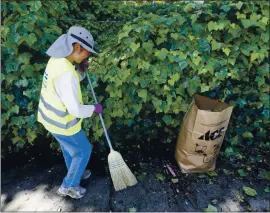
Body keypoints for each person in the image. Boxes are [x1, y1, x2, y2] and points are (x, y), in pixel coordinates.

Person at [37, 26, 102, 199]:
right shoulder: (66, 74)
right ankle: (69, 186)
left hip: (49, 119)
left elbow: (63, 85)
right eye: (86, 53)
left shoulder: (57, 60)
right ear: (76, 47)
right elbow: (75, 109)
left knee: (70, 149)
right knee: (83, 151)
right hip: (62, 123)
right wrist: (94, 109)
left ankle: (76, 172)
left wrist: (79, 71)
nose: (87, 56)